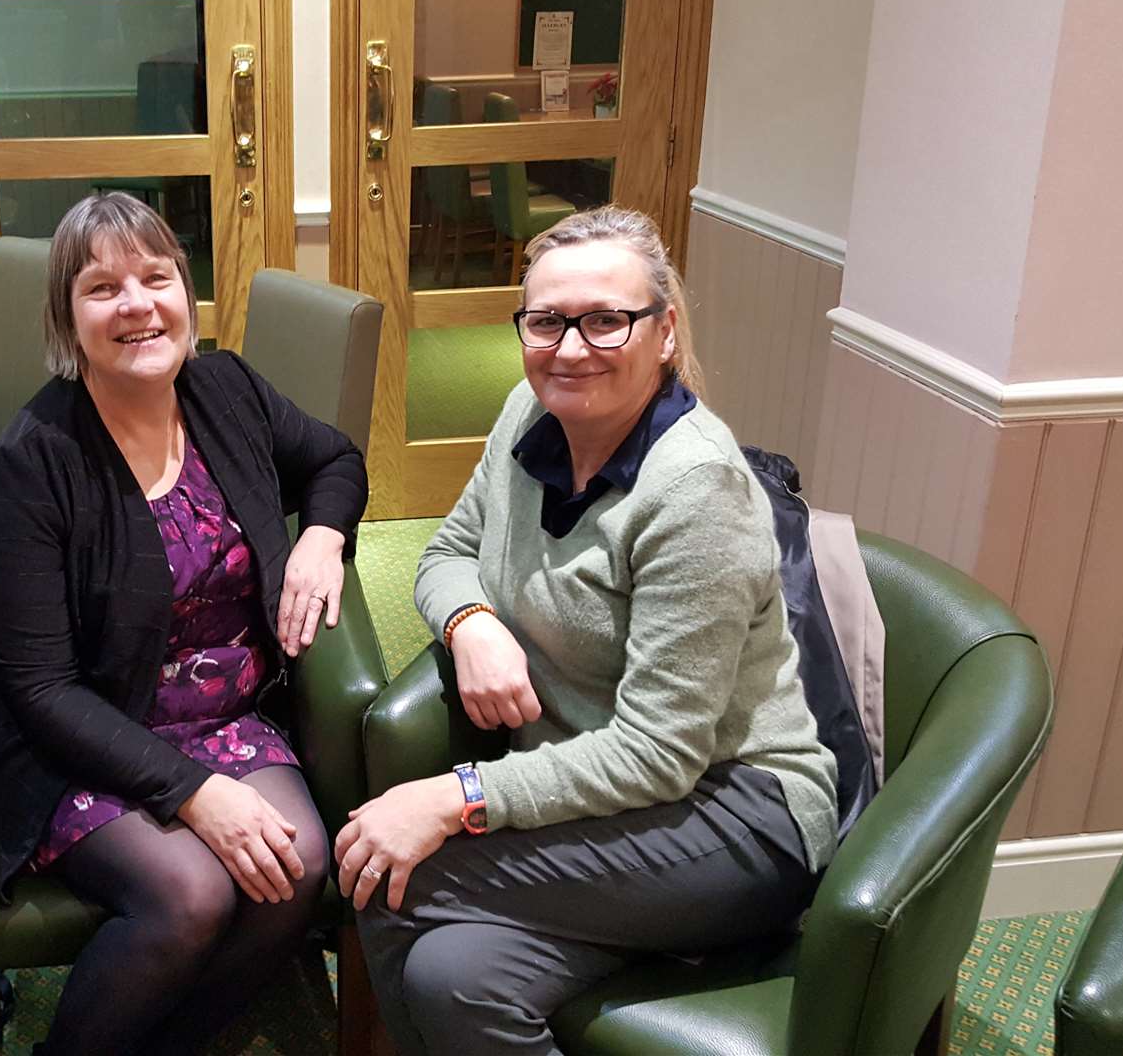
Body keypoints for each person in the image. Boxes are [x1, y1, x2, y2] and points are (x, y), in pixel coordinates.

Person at [334, 206, 840, 1055]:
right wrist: (473, 625)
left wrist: (456, 796)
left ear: (665, 331)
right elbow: (449, 550)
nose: (570, 349)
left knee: (387, 875)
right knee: (455, 974)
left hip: (733, 812)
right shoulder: (525, 416)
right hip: (595, 801)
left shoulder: (695, 491)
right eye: (546, 321)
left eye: (606, 320)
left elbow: (661, 752)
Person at [0, 192, 367, 1054]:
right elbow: (38, 688)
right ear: (69, 321)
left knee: (295, 868)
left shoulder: (225, 388)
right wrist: (195, 794)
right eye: (103, 288)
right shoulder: (32, 462)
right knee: (190, 893)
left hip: (225, 719)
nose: (138, 304)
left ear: (186, 292)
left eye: (157, 277)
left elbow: (334, 458)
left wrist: (323, 536)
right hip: (87, 736)